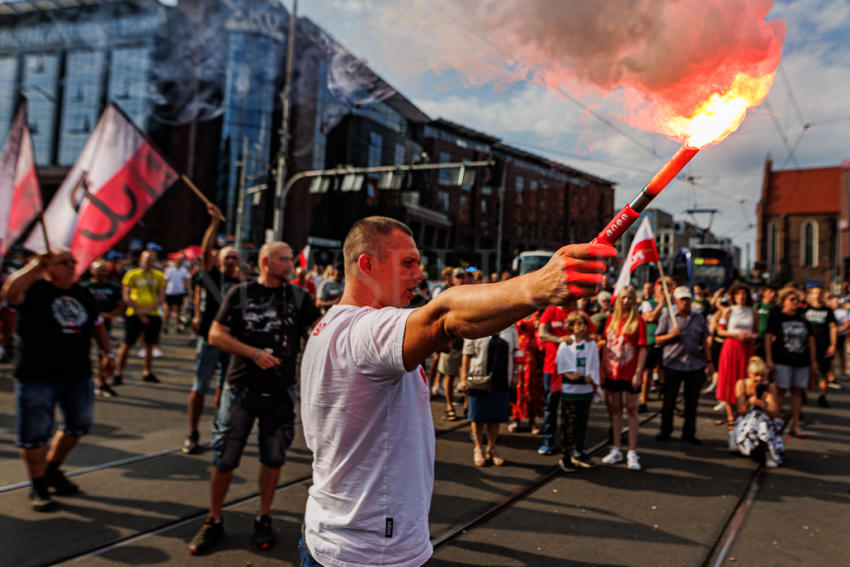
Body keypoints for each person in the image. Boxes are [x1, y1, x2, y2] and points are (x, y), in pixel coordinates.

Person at [299, 216, 613, 567]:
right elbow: (444, 316)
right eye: (408, 263)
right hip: (368, 553)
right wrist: (539, 285)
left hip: (330, 535)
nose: (419, 275)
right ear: (367, 265)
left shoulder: (327, 325)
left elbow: (449, 323)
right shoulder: (363, 331)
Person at [188, 241, 320, 555]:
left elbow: (320, 332)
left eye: (291, 258)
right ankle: (214, 519)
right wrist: (253, 353)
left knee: (273, 458)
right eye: (283, 258)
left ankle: (263, 516)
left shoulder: (299, 297)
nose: (290, 263)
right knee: (225, 458)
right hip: (240, 388)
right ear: (265, 261)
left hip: (280, 391)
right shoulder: (240, 293)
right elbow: (215, 335)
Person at [2, 249, 115, 511]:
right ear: (48, 267)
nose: (72, 266)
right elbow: (10, 293)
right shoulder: (34, 289)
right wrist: (35, 266)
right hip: (36, 375)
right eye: (64, 262)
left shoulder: (82, 292)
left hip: (77, 373)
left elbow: (96, 324)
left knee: (79, 424)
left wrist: (107, 353)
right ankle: (38, 485)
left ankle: (52, 468)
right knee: (35, 434)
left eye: (73, 261)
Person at [183, 205, 243, 455]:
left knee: (225, 387)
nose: (230, 260)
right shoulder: (211, 275)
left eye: (234, 257)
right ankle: (193, 433)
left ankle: (219, 429)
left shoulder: (241, 283)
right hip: (208, 340)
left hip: (231, 343)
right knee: (200, 387)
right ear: (219, 260)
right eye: (226, 257)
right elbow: (206, 250)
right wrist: (214, 223)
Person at [654, 286, 713, 444]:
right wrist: (670, 335)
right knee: (669, 400)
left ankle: (689, 433)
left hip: (695, 364)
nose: (685, 302)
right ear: (675, 301)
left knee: (692, 402)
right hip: (673, 364)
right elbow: (657, 339)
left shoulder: (699, 318)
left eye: (687, 299)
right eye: (682, 299)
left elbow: (705, 340)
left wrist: (709, 361)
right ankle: (665, 430)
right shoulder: (668, 317)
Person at [600, 285, 647, 470]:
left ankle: (632, 451)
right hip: (612, 371)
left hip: (630, 372)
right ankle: (616, 448)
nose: (626, 301)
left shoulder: (638, 321)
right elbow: (605, 345)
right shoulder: (611, 320)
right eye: (624, 298)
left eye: (630, 298)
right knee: (615, 410)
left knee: (632, 410)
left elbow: (643, 348)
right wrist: (602, 368)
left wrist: (638, 372)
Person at [459, 324, 518, 467]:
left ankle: (492, 448)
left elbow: (516, 351)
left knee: (496, 416)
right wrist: (463, 378)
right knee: (478, 415)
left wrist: (515, 373)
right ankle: (478, 448)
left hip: (502, 378)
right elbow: (466, 354)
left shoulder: (510, 325)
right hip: (479, 378)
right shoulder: (474, 323)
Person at [765, 287, 814, 438]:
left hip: (801, 360)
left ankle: (795, 424)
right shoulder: (777, 317)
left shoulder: (802, 317)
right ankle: (778, 422)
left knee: (797, 392)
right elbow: (768, 338)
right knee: (780, 392)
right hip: (782, 359)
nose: (795, 303)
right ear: (783, 301)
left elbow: (811, 340)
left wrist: (813, 361)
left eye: (797, 300)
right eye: (792, 300)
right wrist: (769, 359)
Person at [555, 310, 600, 473]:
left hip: (585, 389)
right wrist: (568, 373)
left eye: (584, 323)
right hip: (570, 389)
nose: (582, 327)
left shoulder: (591, 344)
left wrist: (591, 375)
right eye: (578, 324)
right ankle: (566, 455)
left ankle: (579, 452)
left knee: (582, 422)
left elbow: (594, 362)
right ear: (571, 327)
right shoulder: (566, 343)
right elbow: (560, 362)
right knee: (569, 424)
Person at [114, 250, 166, 384]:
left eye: (151, 259)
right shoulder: (132, 274)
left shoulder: (159, 275)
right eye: (146, 259)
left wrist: (147, 310)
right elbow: (126, 295)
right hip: (134, 314)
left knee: (149, 345)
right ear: (141, 260)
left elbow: (161, 297)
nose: (149, 261)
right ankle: (118, 373)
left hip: (152, 314)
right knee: (127, 344)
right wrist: (140, 312)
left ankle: (147, 372)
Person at [715, 283, 758, 427]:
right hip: (731, 347)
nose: (742, 297)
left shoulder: (753, 312)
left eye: (744, 294)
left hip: (747, 348)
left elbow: (757, 332)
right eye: (738, 294)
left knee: (746, 379)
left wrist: (750, 337)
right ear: (734, 296)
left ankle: (742, 412)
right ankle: (730, 415)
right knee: (729, 379)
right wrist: (736, 335)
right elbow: (720, 331)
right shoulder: (728, 311)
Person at [82, 260, 124, 398]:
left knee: (103, 354)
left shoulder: (113, 287)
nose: (101, 272)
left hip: (104, 324)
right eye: (98, 269)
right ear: (91, 271)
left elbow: (120, 305)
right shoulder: (84, 287)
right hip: (85, 324)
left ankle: (102, 382)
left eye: (104, 269)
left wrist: (110, 315)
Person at [733, 356, 784, 467]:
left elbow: (775, 413)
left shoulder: (769, 387)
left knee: (762, 420)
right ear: (749, 374)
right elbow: (740, 410)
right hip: (746, 423)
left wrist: (764, 403)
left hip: (765, 424)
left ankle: (764, 449)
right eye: (756, 375)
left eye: (762, 375)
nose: (759, 378)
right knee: (756, 418)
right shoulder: (741, 384)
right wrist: (750, 402)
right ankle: (757, 450)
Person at [510, 310, 545, 433]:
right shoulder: (515, 312)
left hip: (534, 356)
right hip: (519, 352)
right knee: (517, 387)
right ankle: (516, 420)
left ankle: (533, 421)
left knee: (533, 388)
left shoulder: (540, 314)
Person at [804, 283, 837, 408]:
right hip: (807, 345)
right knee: (806, 371)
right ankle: (803, 393)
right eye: (815, 293)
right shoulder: (805, 309)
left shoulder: (827, 311)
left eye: (820, 293)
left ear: (823, 295)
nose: (817, 296)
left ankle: (823, 396)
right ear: (810, 295)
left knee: (823, 371)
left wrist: (833, 344)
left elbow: (833, 327)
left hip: (823, 345)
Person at [639, 279, 669, 413]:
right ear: (656, 290)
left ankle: (666, 401)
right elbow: (649, 318)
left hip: (666, 342)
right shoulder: (648, 303)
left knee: (665, 371)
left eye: (666, 289)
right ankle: (643, 400)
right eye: (661, 289)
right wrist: (660, 306)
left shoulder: (671, 304)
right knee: (648, 372)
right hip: (651, 340)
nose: (663, 292)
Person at [163, 258, 191, 333]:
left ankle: (177, 326)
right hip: (170, 292)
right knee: (167, 310)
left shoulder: (183, 270)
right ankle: (165, 326)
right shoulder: (169, 270)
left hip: (179, 292)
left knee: (177, 310)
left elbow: (186, 280)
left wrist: (187, 288)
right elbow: (165, 280)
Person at [827, 292, 848, 381]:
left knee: (841, 354)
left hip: (840, 336)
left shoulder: (842, 312)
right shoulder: (827, 310)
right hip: (829, 337)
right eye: (834, 301)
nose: (836, 303)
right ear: (830, 302)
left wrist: (837, 331)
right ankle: (830, 374)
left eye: (837, 301)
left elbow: (847, 324)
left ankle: (843, 372)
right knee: (829, 356)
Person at [754, 285, 776, 360]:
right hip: (758, 340)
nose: (772, 294)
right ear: (764, 293)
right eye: (770, 292)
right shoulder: (757, 306)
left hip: (771, 340)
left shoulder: (775, 308)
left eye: (773, 292)